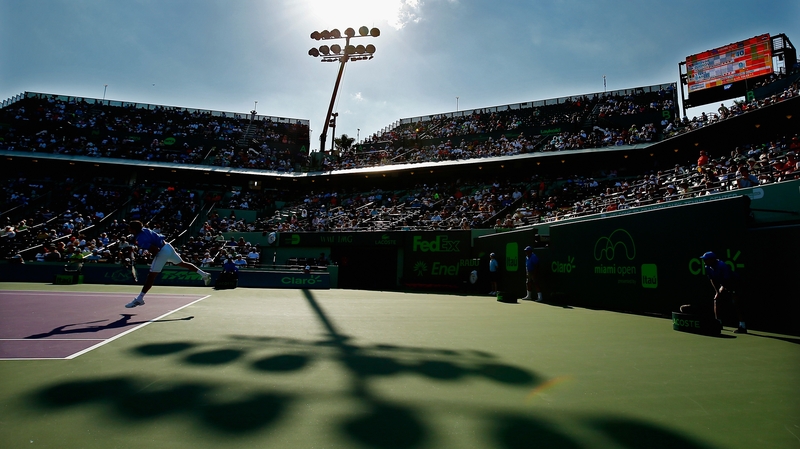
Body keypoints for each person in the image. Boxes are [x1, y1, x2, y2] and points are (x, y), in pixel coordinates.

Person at [125, 220, 211, 308]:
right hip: (168, 247)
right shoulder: (145, 230)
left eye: (130, 227)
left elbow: (155, 250)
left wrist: (152, 257)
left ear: (134, 229)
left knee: (151, 276)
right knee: (182, 263)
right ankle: (204, 274)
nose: (128, 229)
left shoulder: (141, 239)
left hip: (162, 252)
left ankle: (140, 298)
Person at [699, 251, 747, 334]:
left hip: (735, 283)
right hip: (725, 284)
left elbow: (729, 280)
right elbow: (712, 280)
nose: (704, 261)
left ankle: (742, 326)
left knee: (736, 303)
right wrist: (717, 292)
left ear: (712, 260)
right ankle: (718, 323)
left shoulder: (722, 266)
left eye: (706, 259)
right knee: (716, 299)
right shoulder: (707, 267)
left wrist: (730, 291)